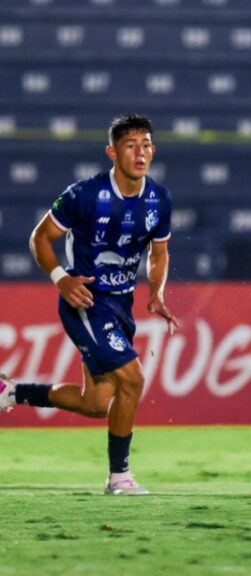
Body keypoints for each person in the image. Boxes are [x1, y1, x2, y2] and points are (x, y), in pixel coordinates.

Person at [0, 114, 177, 495]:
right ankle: (119, 478)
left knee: (96, 404)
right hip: (85, 301)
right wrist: (61, 278)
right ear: (112, 152)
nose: (140, 153)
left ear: (154, 150)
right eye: (130, 146)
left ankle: (11, 393)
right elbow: (39, 238)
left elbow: (159, 253)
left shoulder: (159, 199)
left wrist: (156, 292)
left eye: (146, 145)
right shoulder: (84, 194)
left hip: (121, 305)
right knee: (133, 378)